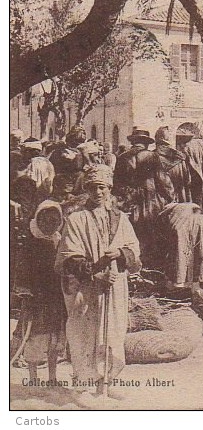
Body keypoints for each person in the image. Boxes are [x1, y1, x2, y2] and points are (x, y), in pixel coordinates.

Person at [55, 165, 141, 399]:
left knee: (111, 331)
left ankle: (106, 381)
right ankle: (84, 383)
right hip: (86, 288)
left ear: (109, 189)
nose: (98, 192)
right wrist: (94, 274)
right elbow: (68, 256)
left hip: (114, 286)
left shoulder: (121, 219)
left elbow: (134, 250)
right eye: (93, 188)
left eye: (102, 187)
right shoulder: (76, 219)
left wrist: (121, 254)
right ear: (87, 189)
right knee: (85, 331)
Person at [12, 200, 67, 386]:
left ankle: (52, 377)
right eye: (45, 220)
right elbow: (21, 268)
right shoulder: (31, 243)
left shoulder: (60, 242)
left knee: (54, 337)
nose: (49, 225)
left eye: (54, 221)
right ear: (38, 219)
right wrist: (24, 289)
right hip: (35, 298)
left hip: (55, 297)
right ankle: (34, 377)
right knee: (34, 336)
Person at [156, 202, 203, 335]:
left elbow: (168, 245)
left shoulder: (166, 215)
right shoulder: (186, 207)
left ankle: (201, 318)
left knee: (185, 273)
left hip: (186, 228)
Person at [113, 128, 173, 267]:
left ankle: (134, 262)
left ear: (133, 142)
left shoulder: (122, 157)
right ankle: (149, 264)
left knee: (131, 231)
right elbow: (163, 180)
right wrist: (170, 196)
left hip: (129, 200)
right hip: (150, 200)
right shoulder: (152, 156)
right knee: (150, 231)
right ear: (146, 143)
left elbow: (116, 183)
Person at [154, 126, 192, 203]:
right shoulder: (180, 158)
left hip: (161, 201)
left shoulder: (153, 158)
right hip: (180, 200)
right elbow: (188, 181)